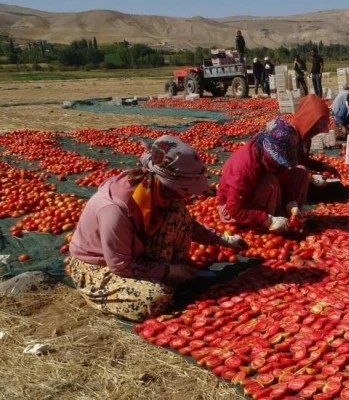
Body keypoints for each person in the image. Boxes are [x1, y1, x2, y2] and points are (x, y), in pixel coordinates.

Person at [66, 136, 246, 321]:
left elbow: (187, 224)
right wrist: (171, 271)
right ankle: (98, 293)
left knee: (176, 211)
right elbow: (120, 265)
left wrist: (223, 239)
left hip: (133, 256)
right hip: (101, 266)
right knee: (156, 297)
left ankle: (166, 276)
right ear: (169, 184)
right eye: (185, 191)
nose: (188, 197)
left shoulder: (157, 190)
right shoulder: (115, 209)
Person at [217, 96, 340, 232]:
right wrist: (268, 220)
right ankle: (267, 223)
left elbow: (286, 176)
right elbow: (234, 209)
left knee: (299, 172)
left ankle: (288, 220)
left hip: (259, 196)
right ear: (269, 152)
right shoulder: (245, 165)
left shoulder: (277, 154)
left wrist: (291, 204)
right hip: (234, 210)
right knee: (270, 182)